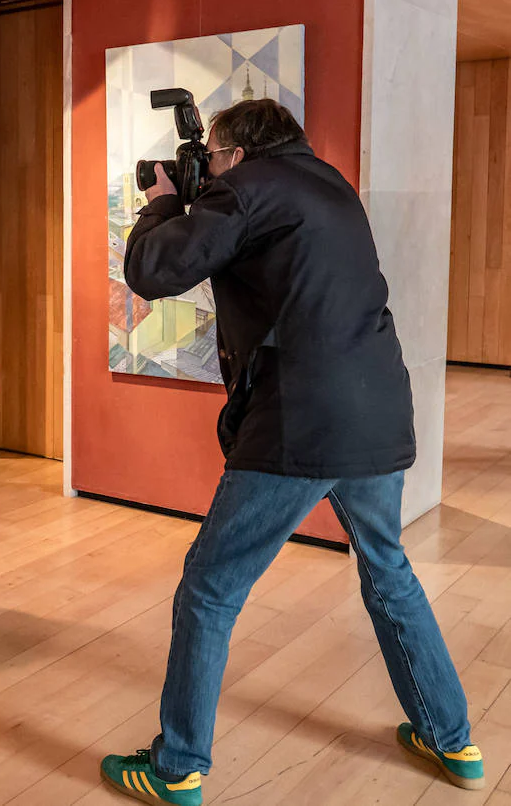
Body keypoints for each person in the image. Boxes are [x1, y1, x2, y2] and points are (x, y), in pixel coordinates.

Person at [100, 99, 482, 805]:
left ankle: (177, 766)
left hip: (300, 420)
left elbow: (154, 271)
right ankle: (453, 737)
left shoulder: (243, 188)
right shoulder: (330, 184)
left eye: (212, 157)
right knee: (389, 573)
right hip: (377, 413)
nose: (208, 169)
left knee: (210, 588)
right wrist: (201, 197)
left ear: (239, 154)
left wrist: (160, 203)